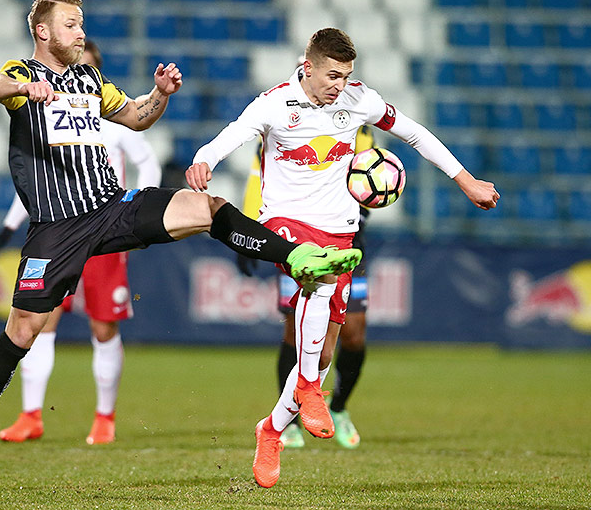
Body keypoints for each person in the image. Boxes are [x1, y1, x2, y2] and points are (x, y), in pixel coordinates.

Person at [0, 0, 362, 492]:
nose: (81, 33)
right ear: (43, 32)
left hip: (111, 206)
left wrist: (160, 94)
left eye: (81, 24)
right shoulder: (19, 75)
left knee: (203, 205)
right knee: (21, 333)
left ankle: (296, 256)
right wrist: (26, 87)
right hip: (57, 229)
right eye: (72, 25)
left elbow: (137, 117)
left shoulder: (88, 79)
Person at [185, 27, 499, 488]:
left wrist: (465, 180)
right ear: (307, 66)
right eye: (332, 75)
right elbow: (232, 134)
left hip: (341, 229)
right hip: (285, 225)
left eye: (347, 75)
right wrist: (203, 159)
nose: (340, 84)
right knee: (316, 275)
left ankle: (271, 429)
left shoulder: (358, 100)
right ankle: (310, 389)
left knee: (326, 346)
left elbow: (414, 133)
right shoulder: (275, 102)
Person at [0, 41, 162, 446]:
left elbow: (148, 160)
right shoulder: (44, 114)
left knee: (102, 326)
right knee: (40, 324)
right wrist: (8, 229)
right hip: (60, 230)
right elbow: (35, 182)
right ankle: (30, 415)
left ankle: (104, 418)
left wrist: (137, 212)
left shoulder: (110, 120)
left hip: (104, 228)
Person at [238, 125, 375, 451]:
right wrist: (247, 229)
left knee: (353, 333)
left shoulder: (358, 123)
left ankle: (339, 407)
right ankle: (289, 423)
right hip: (296, 236)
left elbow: (370, 168)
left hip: (346, 237)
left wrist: (367, 203)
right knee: (295, 333)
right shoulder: (284, 123)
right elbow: (260, 173)